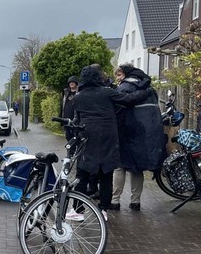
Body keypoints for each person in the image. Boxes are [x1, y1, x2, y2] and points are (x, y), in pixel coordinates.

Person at [70, 65, 154, 220]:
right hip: (109, 137)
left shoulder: (78, 97)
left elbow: (77, 120)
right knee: (106, 174)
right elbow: (129, 100)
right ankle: (103, 210)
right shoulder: (107, 93)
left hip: (88, 137)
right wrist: (146, 92)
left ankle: (78, 211)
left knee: (83, 175)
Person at [110, 64, 165, 211]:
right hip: (144, 133)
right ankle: (135, 202)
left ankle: (115, 201)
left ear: (125, 74)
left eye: (119, 75)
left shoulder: (125, 87)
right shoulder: (149, 88)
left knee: (119, 166)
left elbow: (116, 108)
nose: (117, 78)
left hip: (125, 131)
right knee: (137, 168)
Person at [60, 76, 78, 141]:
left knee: (76, 135)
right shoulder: (65, 92)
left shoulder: (79, 92)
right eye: (70, 82)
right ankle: (70, 150)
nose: (71, 84)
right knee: (68, 136)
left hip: (76, 118)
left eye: (73, 82)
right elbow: (62, 104)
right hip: (66, 117)